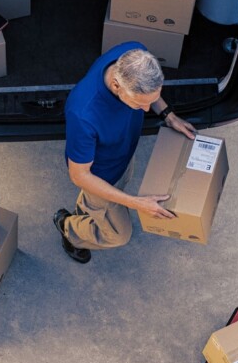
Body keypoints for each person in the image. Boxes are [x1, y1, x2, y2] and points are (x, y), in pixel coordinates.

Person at [53, 41, 197, 263]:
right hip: (100, 176)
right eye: (139, 104)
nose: (148, 110)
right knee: (118, 235)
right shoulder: (83, 114)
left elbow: (150, 95)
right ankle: (68, 229)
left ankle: (87, 208)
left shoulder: (135, 55)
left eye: (151, 101)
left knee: (107, 196)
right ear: (116, 85)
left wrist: (169, 115)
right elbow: (79, 175)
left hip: (123, 155)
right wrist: (135, 203)